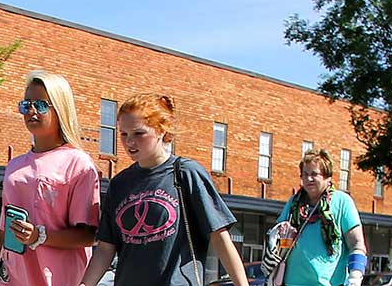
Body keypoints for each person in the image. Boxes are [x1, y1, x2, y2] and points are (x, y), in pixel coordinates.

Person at [78, 94, 247, 286]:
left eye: (139, 133)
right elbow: (106, 248)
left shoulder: (185, 173)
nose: (129, 142)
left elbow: (219, 237)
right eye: (124, 134)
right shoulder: (119, 184)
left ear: (160, 131)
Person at [0, 71, 101, 286]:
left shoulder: (79, 164)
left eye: (41, 105)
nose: (31, 111)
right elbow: (3, 235)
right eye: (26, 105)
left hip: (60, 279)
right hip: (13, 279)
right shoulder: (14, 168)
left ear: (60, 108)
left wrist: (39, 237)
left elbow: (89, 235)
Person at [269, 150, 367, 286]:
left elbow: (357, 244)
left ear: (328, 177)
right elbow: (280, 242)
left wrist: (355, 277)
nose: (309, 179)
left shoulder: (342, 202)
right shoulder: (293, 203)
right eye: (305, 174)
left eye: (314, 174)